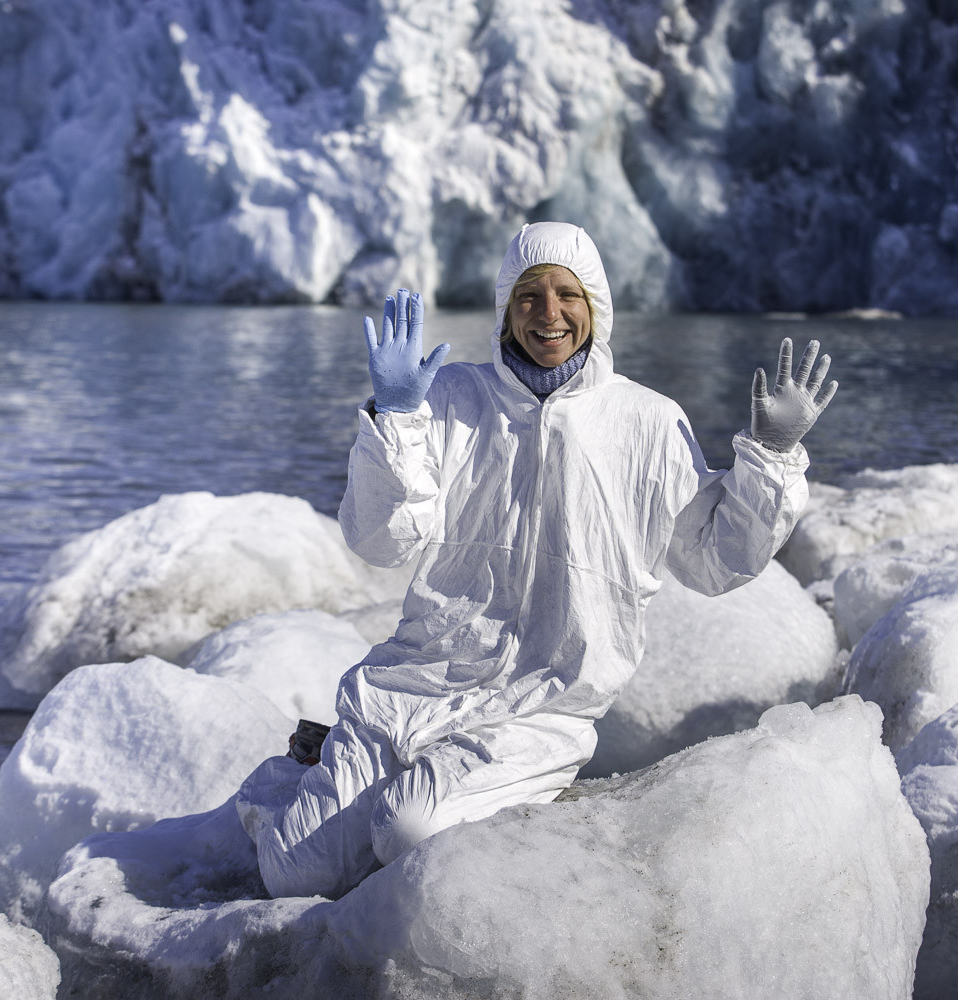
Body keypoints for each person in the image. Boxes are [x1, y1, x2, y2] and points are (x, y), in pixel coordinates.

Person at [235, 222, 837, 899]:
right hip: (413, 685)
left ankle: (418, 785)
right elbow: (383, 539)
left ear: (595, 308)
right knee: (293, 873)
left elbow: (714, 558)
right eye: (528, 296)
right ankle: (285, 782)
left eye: (567, 295)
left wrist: (772, 458)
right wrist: (397, 420)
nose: (548, 314)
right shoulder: (452, 400)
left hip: (539, 707)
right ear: (505, 308)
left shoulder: (647, 422)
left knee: (409, 834)